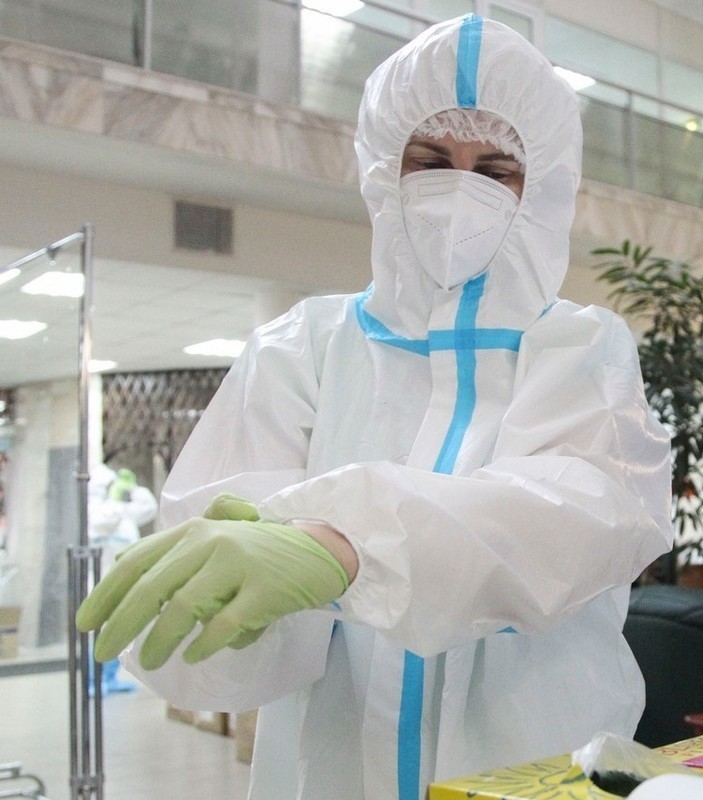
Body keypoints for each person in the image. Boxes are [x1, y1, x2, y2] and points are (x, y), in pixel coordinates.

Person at [76, 14, 672, 800]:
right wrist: (233, 611)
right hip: (332, 770)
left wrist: (343, 545)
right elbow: (221, 619)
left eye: (496, 170)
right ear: (383, 169)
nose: (459, 189)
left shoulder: (579, 347)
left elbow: (575, 522)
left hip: (533, 764)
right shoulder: (303, 348)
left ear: (545, 186)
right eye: (431, 161)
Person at [86, 464, 158, 693]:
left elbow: (149, 508)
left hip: (124, 587)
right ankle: (95, 680)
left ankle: (109, 678)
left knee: (120, 633)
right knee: (102, 635)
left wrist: (134, 489)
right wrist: (117, 497)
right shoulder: (97, 512)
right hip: (103, 586)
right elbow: (105, 519)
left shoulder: (121, 513)